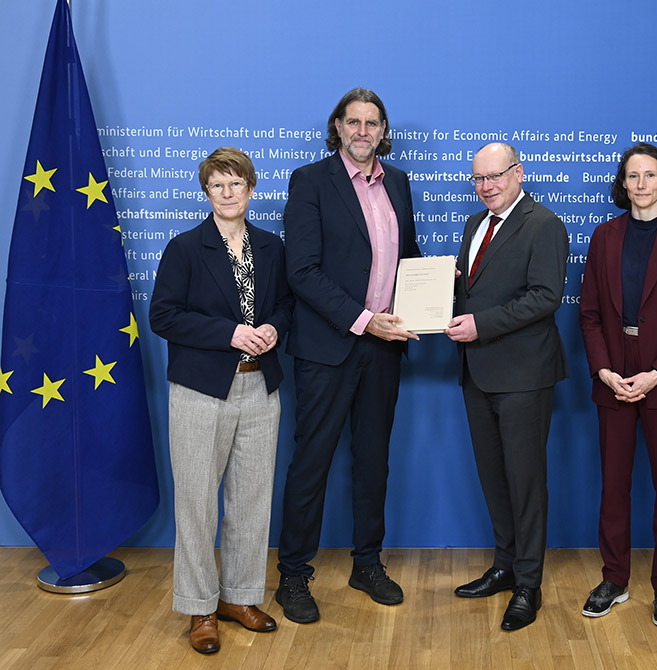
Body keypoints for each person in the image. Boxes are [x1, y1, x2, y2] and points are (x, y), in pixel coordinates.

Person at [276, 88, 420, 623]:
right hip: (329, 348)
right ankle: (293, 575)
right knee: (311, 464)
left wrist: (429, 293)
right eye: (353, 122)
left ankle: (367, 563)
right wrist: (363, 319)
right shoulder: (311, 181)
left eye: (373, 122)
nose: (363, 131)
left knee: (372, 463)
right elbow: (302, 271)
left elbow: (407, 258)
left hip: (383, 349)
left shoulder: (398, 183)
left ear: (384, 130)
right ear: (337, 126)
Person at [149, 147, 293, 654]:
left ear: (251, 189)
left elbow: (284, 304)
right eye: (218, 185)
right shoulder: (186, 248)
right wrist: (231, 333)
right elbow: (163, 316)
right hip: (200, 391)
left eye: (236, 184)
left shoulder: (272, 247)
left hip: (259, 387)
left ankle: (241, 596)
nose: (228, 193)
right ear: (206, 192)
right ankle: (200, 607)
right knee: (196, 503)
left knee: (252, 500)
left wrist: (274, 326)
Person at [578, 143, 657, 627]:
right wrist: (605, 370)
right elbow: (588, 314)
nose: (641, 184)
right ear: (623, 183)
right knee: (614, 487)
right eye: (632, 176)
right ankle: (614, 579)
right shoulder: (604, 235)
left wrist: (656, 374)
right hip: (614, 374)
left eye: (650, 175)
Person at [445, 142, 568, 632]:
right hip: (478, 373)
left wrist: (481, 324)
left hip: (524, 376)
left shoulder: (545, 224)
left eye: (495, 176)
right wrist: (445, 288)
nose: (487, 186)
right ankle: (504, 566)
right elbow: (473, 290)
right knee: (494, 478)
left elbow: (545, 296)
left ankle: (528, 584)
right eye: (478, 179)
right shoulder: (476, 224)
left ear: (519, 172)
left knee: (525, 483)